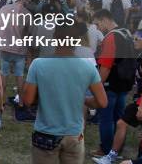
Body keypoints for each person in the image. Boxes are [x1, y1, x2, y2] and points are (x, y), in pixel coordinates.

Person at [23, 22, 108, 163]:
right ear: (76, 40)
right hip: (74, 133)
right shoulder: (88, 66)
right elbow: (102, 102)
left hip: (46, 132)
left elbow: (28, 100)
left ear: (55, 37)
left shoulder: (38, 64)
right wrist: (85, 100)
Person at [93, 28, 142, 164]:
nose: (133, 41)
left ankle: (111, 156)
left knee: (121, 123)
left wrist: (141, 107)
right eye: (133, 38)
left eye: (137, 39)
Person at [92, 8, 135, 157]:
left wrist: (97, 85)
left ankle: (106, 149)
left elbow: (106, 66)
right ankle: (117, 148)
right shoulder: (126, 32)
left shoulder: (111, 37)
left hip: (111, 84)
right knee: (119, 118)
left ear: (104, 19)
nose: (97, 28)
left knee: (106, 119)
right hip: (124, 82)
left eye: (98, 24)